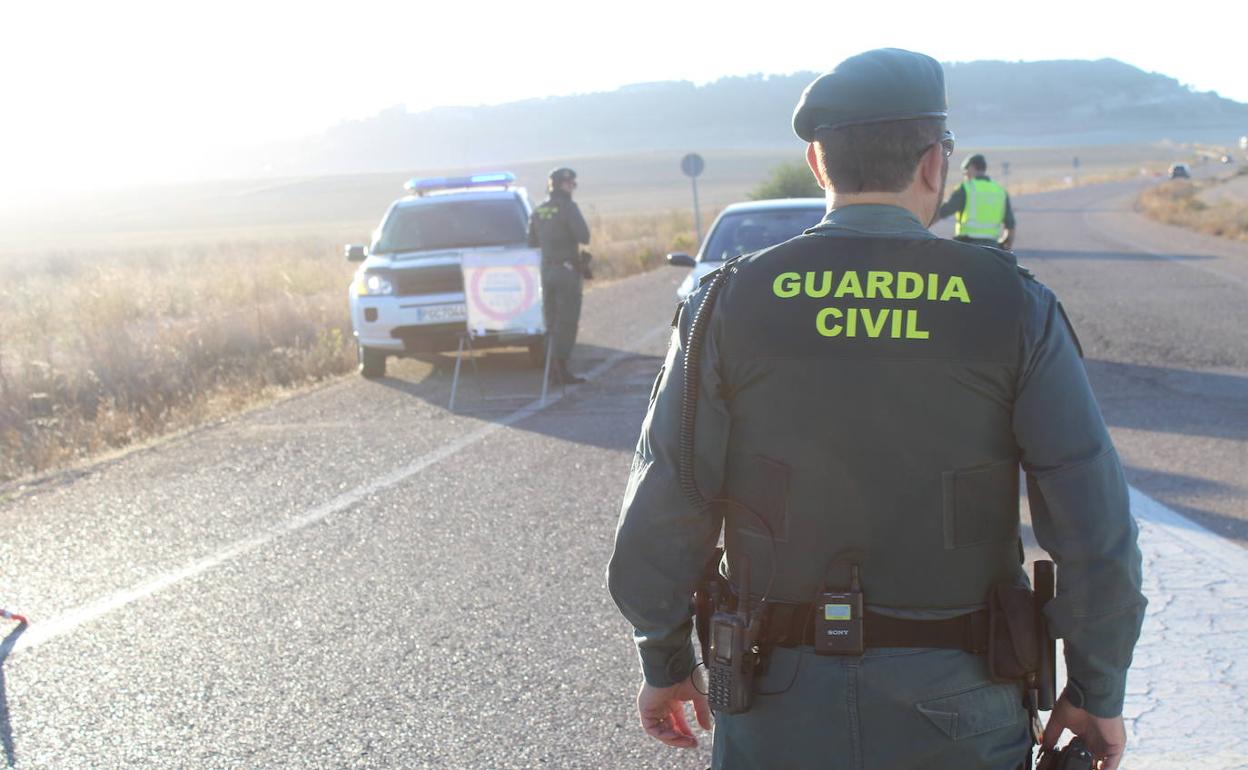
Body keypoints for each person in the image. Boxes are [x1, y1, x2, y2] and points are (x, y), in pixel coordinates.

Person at [607, 48, 1144, 770]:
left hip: (777, 699)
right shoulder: (1011, 303)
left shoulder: (729, 303)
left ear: (817, 163)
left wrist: (664, 656)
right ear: (934, 164)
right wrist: (1096, 685)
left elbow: (668, 497)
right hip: (961, 698)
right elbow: (1093, 520)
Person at [528, 167, 590, 385]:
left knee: (551, 320)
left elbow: (531, 242)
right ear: (561, 185)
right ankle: (560, 369)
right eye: (570, 184)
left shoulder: (539, 210)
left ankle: (551, 368)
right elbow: (584, 236)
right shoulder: (568, 208)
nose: (572, 187)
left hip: (546, 272)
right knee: (567, 320)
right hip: (566, 271)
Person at [938, 153, 1016, 249]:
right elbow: (1010, 226)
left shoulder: (966, 188)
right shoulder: (1000, 191)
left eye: (965, 172)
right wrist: (1004, 245)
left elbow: (943, 211)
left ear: (972, 167)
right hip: (992, 248)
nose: (965, 176)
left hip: (967, 246)